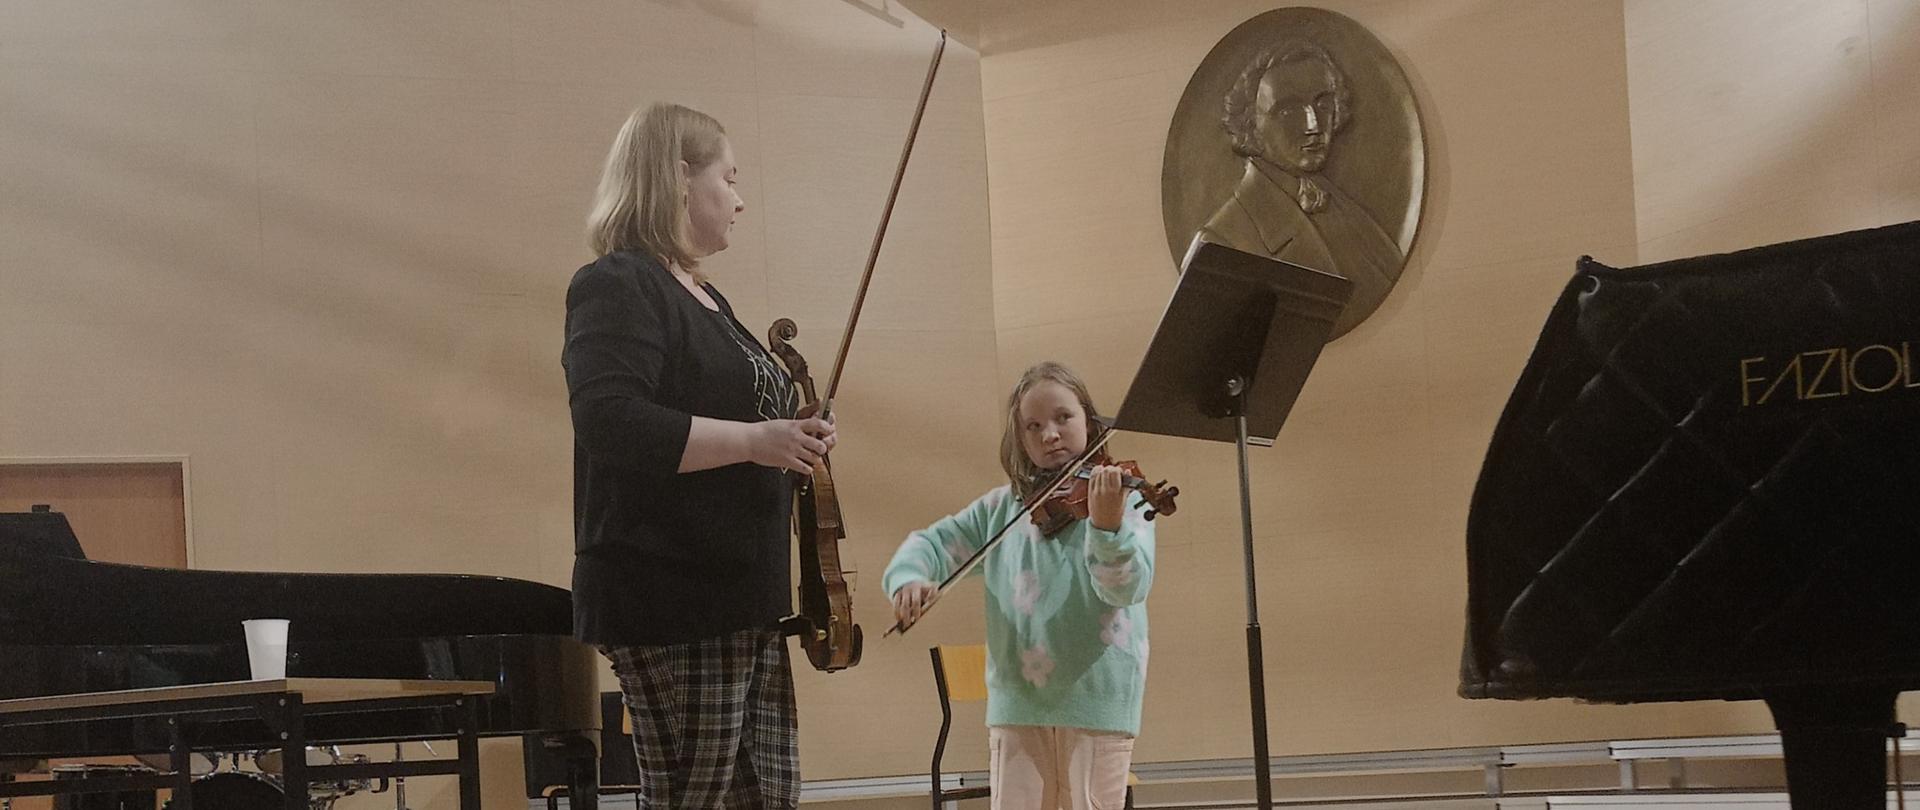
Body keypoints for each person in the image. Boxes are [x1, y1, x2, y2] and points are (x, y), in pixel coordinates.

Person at [563, 101, 835, 809]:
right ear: (681, 180)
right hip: (672, 592)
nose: (740, 199)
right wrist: (754, 440)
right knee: (694, 799)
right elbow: (610, 419)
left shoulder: (706, 294)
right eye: (731, 177)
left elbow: (737, 419)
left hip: (738, 593)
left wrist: (790, 431)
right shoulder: (619, 282)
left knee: (763, 797)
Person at [885, 361, 1154, 810]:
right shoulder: (1002, 509)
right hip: (1018, 702)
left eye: (1063, 418)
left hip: (1097, 696)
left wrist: (1106, 530)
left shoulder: (1126, 500)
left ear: (1089, 419)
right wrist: (909, 578)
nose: (1050, 434)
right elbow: (931, 545)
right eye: (1034, 427)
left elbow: (1125, 590)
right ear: (1021, 439)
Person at [1200, 40, 1404, 335]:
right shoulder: (1221, 241)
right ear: (1249, 125)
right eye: (1288, 111)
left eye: (1323, 104)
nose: (1313, 124)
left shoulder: (1344, 206)